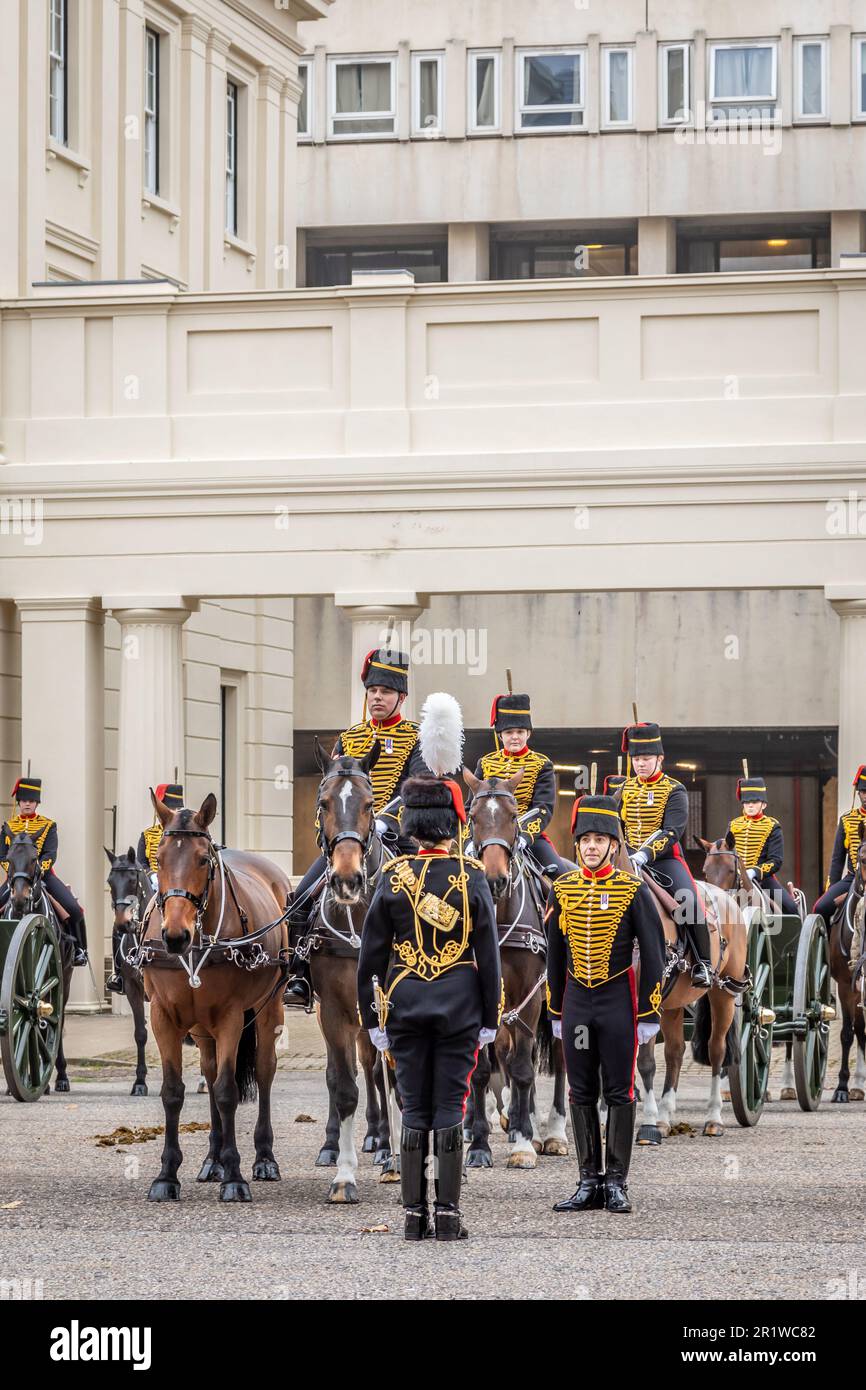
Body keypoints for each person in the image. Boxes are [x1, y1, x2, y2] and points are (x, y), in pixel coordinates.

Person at [357, 776, 502, 1241]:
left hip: (403, 1005)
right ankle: (448, 1216)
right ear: (453, 824)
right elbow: (489, 956)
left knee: (413, 1107)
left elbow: (370, 959)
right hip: (460, 1005)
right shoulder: (473, 874)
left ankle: (413, 1217)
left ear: (413, 826)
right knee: (449, 1108)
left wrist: (371, 1018)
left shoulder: (389, 877)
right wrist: (490, 1017)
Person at [285, 647, 434, 1003]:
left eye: (384, 692)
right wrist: (330, 832)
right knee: (300, 899)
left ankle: (435, 969)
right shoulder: (349, 738)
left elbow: (418, 789)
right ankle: (299, 975)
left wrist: (384, 822)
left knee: (431, 898)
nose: (377, 698)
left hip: (396, 839)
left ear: (402, 696)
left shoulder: (416, 738)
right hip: (348, 841)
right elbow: (329, 791)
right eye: (372, 691)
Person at [546, 793, 665, 1215]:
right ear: (576, 845)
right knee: (580, 1091)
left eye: (600, 839)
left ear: (614, 845)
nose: (592, 846)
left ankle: (616, 1181)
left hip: (617, 1003)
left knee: (619, 1089)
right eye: (585, 840)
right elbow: (554, 955)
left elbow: (654, 953)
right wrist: (556, 1011)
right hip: (578, 1005)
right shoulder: (562, 888)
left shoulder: (632, 889)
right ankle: (587, 1181)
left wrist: (649, 1011)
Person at [619, 721, 712, 988]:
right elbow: (617, 828)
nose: (641, 764)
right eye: (636, 758)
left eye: (646, 758)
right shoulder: (625, 790)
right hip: (628, 859)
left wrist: (644, 854)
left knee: (689, 902)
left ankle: (703, 963)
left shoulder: (675, 789)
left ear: (660, 758)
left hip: (664, 860)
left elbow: (672, 831)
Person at [470, 691, 568, 880]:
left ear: (528, 733)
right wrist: (469, 839)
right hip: (487, 836)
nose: (515, 737)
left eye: (520, 732)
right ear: (500, 735)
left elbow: (543, 808)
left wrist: (525, 836)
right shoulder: (485, 763)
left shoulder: (541, 763)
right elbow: (471, 806)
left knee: (562, 878)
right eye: (509, 732)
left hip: (528, 837)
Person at [0, 776, 88, 965]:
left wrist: (38, 869)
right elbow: (2, 856)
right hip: (15, 878)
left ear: (37, 803)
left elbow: (50, 854)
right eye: (24, 800)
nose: (27, 804)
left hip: (43, 876)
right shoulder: (8, 827)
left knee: (75, 909)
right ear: (19, 802)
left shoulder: (48, 825)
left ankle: (80, 951)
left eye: (31, 801)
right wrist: (14, 872)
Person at [725, 775, 798, 914]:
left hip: (763, 880)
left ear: (763, 804)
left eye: (754, 801)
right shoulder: (733, 825)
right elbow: (726, 852)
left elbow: (776, 861)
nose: (750, 805)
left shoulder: (773, 826)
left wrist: (754, 872)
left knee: (790, 907)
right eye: (746, 802)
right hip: (734, 879)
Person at [813, 765, 866, 932]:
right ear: (858, 792)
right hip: (853, 878)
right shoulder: (847, 820)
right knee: (820, 907)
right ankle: (827, 953)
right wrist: (832, 888)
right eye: (863, 791)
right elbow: (837, 859)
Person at [137, 783, 184, 887]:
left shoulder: (186, 836)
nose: (173, 812)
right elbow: (141, 864)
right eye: (170, 808)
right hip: (153, 886)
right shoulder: (147, 835)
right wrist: (152, 875)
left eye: (177, 809)